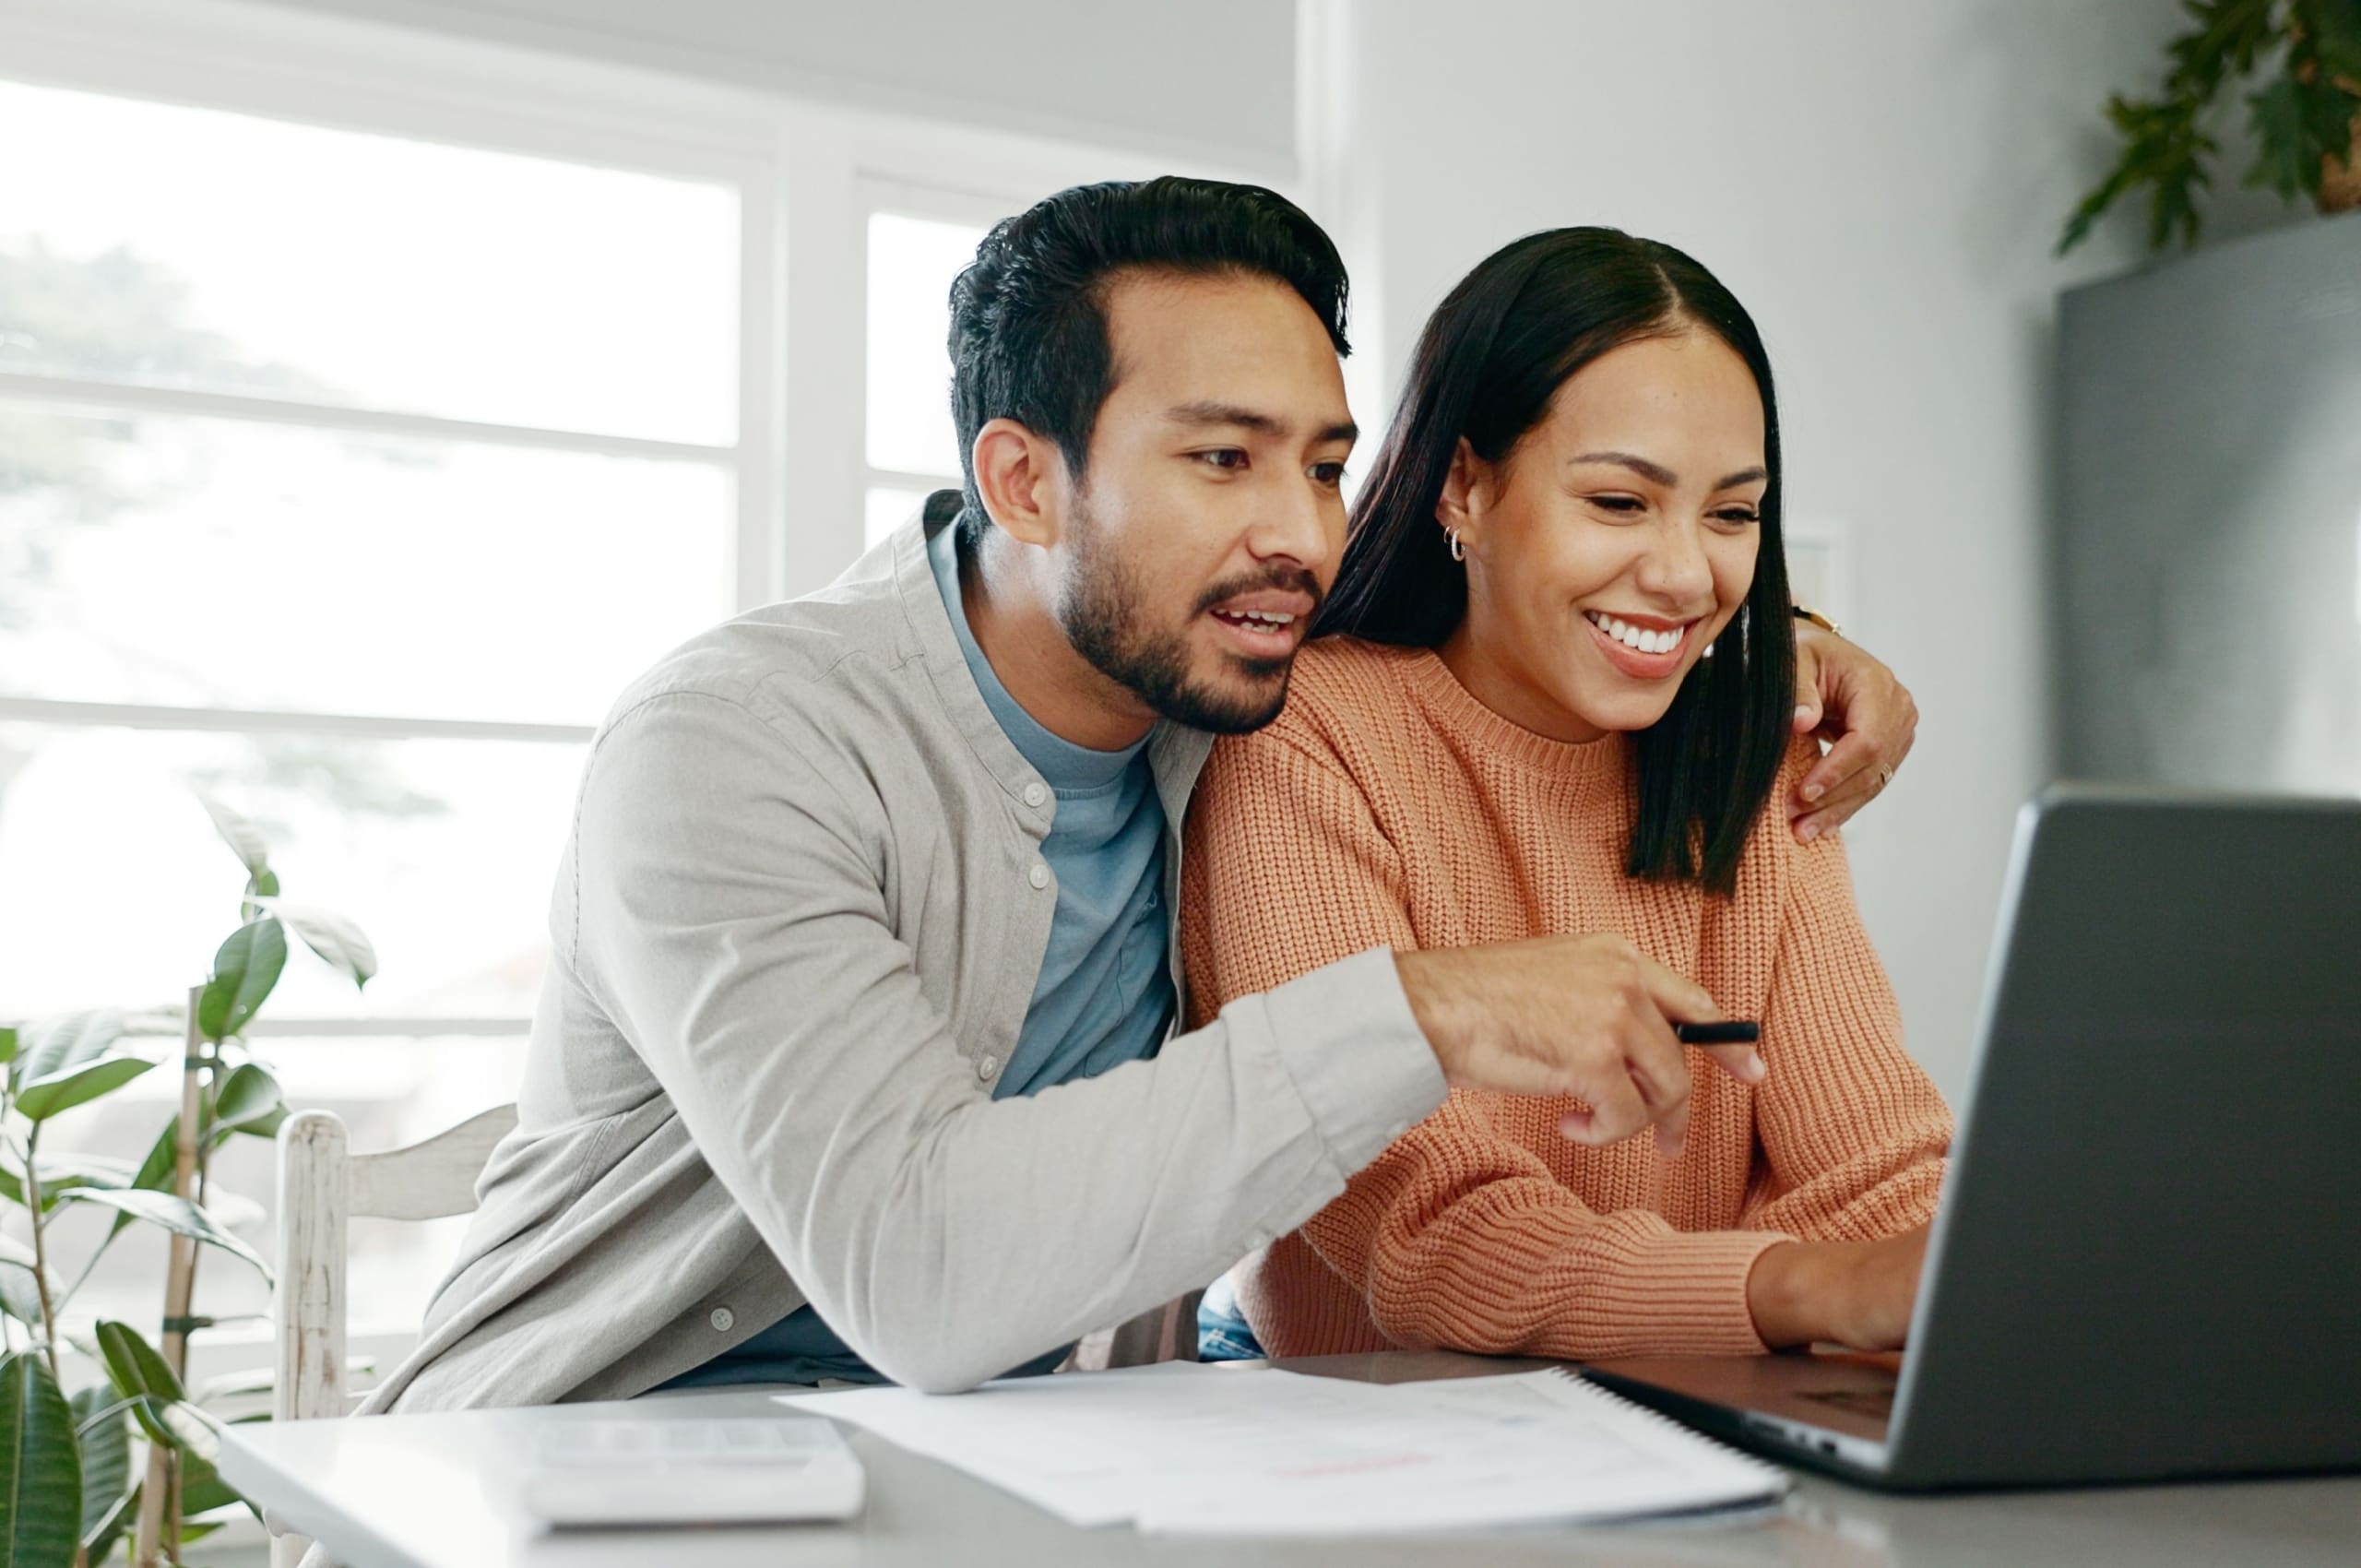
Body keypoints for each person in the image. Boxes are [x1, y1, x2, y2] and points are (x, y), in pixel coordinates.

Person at [362, 183, 1920, 1412]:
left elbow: (1484, 658)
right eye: (1221, 460)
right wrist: (1423, 1009)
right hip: (574, 1453)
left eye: (1318, 466)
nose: (1298, 535)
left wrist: (1776, 639)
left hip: (994, 1463)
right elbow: (922, 1276)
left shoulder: (1226, 704)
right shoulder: (733, 748)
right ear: (1024, 480)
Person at [1183, 228, 1951, 1365]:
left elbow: (1881, 1182)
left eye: (1732, 513)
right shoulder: (1302, 738)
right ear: (1464, 485)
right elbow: (1433, 1234)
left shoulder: (1761, 753)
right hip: (1385, 1437)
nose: (1688, 574)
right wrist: (1793, 1279)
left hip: (1706, 1398)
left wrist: (1883, 1279)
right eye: (1618, 501)